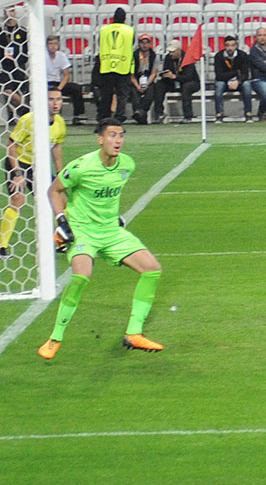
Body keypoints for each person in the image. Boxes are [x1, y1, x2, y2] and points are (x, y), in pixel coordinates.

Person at [37, 118, 165, 360]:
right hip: (83, 232)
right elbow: (54, 190)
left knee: (152, 269)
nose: (118, 140)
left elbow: (105, 197)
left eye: (121, 135)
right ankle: (55, 337)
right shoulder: (81, 167)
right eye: (112, 135)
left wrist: (114, 217)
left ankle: (134, 333)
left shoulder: (127, 165)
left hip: (111, 232)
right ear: (100, 139)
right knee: (81, 276)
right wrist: (62, 222)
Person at [1, 88, 66, 260]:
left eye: (58, 99)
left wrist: (60, 173)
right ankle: (1, 246)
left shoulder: (59, 123)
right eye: (51, 99)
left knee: (60, 199)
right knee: (18, 200)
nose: (55, 103)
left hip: (39, 166)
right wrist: (17, 173)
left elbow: (57, 147)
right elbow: (10, 145)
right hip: (19, 163)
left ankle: (61, 241)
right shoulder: (29, 120)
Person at [97, 7, 134, 122]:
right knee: (122, 95)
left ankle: (104, 119)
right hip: (123, 66)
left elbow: (100, 44)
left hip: (107, 66)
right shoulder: (129, 30)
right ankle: (119, 119)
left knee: (106, 95)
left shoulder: (104, 30)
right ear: (124, 19)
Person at [151, 39, 200, 124]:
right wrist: (165, 75)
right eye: (170, 52)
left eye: (173, 52)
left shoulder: (188, 58)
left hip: (191, 82)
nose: (171, 54)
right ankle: (159, 113)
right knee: (159, 85)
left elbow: (189, 76)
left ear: (178, 50)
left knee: (186, 87)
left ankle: (188, 116)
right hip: (174, 82)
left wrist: (175, 77)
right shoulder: (168, 58)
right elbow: (166, 70)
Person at [45, 35, 86, 126]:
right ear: (47, 45)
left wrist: (59, 89)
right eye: (50, 44)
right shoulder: (43, 56)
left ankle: (77, 116)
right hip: (45, 83)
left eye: (55, 43)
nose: (53, 46)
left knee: (76, 88)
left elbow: (66, 75)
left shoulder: (61, 55)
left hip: (58, 83)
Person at [214, 35, 253, 123]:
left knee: (247, 85)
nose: (230, 48)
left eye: (232, 45)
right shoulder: (219, 56)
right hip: (224, 82)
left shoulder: (242, 55)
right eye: (228, 45)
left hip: (238, 82)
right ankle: (219, 115)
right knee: (219, 86)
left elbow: (245, 74)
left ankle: (248, 114)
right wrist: (235, 72)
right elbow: (219, 75)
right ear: (224, 46)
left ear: (236, 46)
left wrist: (238, 81)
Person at [1, 7, 28, 124]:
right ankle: (17, 112)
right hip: (5, 67)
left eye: (12, 10)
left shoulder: (22, 32)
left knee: (18, 90)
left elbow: (26, 50)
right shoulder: (2, 32)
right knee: (7, 91)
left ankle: (21, 111)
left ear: (15, 13)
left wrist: (20, 59)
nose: (10, 13)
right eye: (7, 11)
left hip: (19, 66)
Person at [130, 34, 158, 125]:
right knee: (135, 95)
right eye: (142, 43)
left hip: (148, 79)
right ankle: (140, 116)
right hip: (136, 80)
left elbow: (154, 73)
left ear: (150, 44)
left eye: (146, 43)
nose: (144, 45)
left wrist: (147, 83)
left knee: (150, 94)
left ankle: (140, 112)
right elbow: (131, 75)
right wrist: (138, 86)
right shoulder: (133, 56)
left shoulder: (153, 56)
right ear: (139, 44)